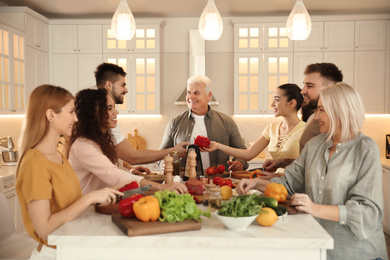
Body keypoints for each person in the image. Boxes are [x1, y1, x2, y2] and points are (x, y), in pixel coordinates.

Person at [237, 82, 388, 260]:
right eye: (317, 110)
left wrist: (315, 208)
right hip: (318, 247)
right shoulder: (315, 145)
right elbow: (289, 183)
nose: (316, 117)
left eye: (321, 110)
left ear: (340, 111)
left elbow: (368, 211)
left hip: (356, 252)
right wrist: (256, 184)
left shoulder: (365, 148)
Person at [15, 85, 122, 259]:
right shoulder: (35, 163)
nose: (76, 118)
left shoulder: (57, 156)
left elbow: (67, 206)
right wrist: (90, 197)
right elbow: (44, 229)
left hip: (71, 246)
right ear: (50, 115)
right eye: (71, 112)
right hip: (55, 253)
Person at [68, 88, 188, 194]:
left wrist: (128, 169)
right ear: (93, 114)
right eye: (109, 108)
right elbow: (113, 174)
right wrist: (162, 187)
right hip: (87, 211)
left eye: (114, 107)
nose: (116, 112)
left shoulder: (102, 138)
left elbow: (109, 165)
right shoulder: (84, 146)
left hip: (102, 204)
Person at [94, 63, 189, 169]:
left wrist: (130, 169)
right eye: (123, 85)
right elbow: (132, 157)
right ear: (109, 85)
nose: (126, 90)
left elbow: (110, 155)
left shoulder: (103, 114)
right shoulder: (105, 118)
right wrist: (172, 151)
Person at [204, 83, 305, 175]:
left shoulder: (305, 130)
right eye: (273, 100)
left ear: (292, 103)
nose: (272, 104)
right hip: (277, 180)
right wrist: (218, 146)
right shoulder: (272, 128)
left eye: (277, 99)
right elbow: (249, 154)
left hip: (296, 182)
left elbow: (307, 162)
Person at [263, 63, 343, 173]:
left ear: (329, 89)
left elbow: (328, 170)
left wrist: (280, 179)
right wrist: (282, 162)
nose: (302, 91)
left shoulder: (333, 125)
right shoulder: (312, 119)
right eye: (304, 85)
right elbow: (309, 161)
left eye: (309, 86)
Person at [159, 75, 248, 171]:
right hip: (182, 182)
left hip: (218, 181)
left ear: (209, 96)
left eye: (196, 93)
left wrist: (239, 162)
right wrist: (163, 163)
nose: (191, 97)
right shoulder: (175, 122)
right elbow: (162, 154)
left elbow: (242, 152)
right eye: (189, 92)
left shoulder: (226, 122)